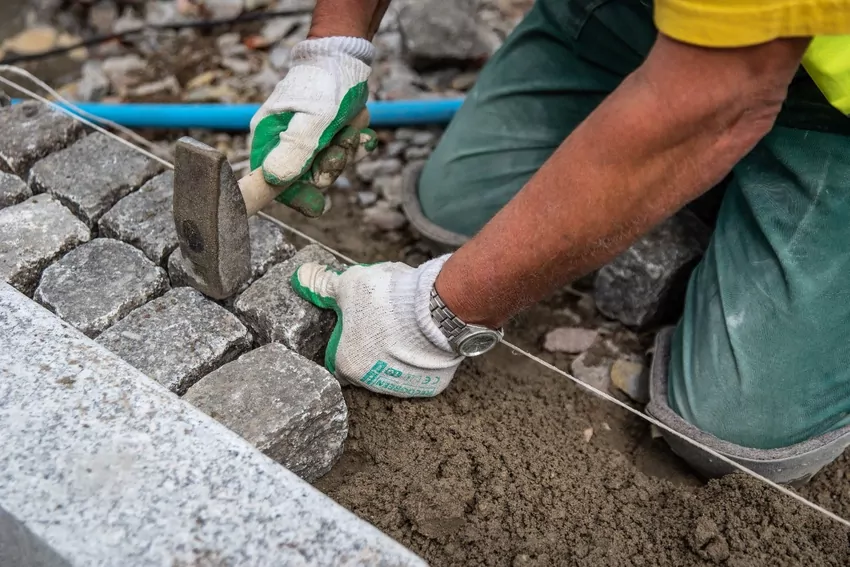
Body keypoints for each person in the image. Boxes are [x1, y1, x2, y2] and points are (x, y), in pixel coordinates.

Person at [248, 0, 850, 484]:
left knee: (734, 433)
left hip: (826, 104)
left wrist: (436, 317)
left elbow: (728, 97)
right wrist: (333, 53)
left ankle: (709, 174)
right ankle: (680, 167)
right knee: (454, 208)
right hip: (647, 15)